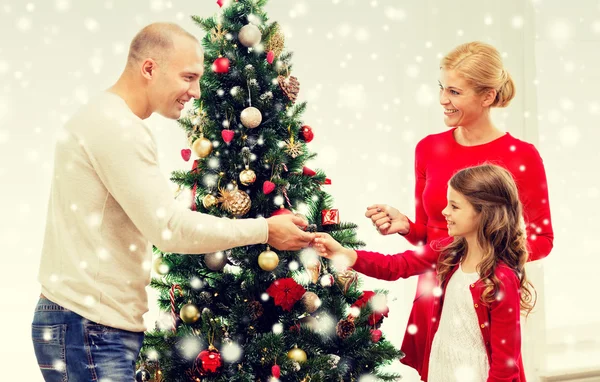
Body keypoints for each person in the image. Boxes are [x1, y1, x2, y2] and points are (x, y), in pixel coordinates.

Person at [31, 22, 315, 381]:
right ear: (150, 68)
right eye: (188, 77)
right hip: (89, 327)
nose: (195, 92)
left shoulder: (104, 119)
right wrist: (265, 230)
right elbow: (168, 228)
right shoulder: (115, 127)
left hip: (88, 325)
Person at [363, 41, 553, 378]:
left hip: (484, 298)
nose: (442, 100)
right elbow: (433, 236)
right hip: (435, 294)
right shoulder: (428, 149)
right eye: (441, 88)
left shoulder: (522, 156)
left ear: (488, 96)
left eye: (454, 91)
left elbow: (543, 238)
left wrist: (490, 264)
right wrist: (407, 226)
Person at [315, 164, 536, 381]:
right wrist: (342, 252)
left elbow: (505, 369)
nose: (444, 212)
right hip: (442, 367)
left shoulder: (501, 280)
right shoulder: (451, 250)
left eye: (454, 206)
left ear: (484, 212)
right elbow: (397, 265)